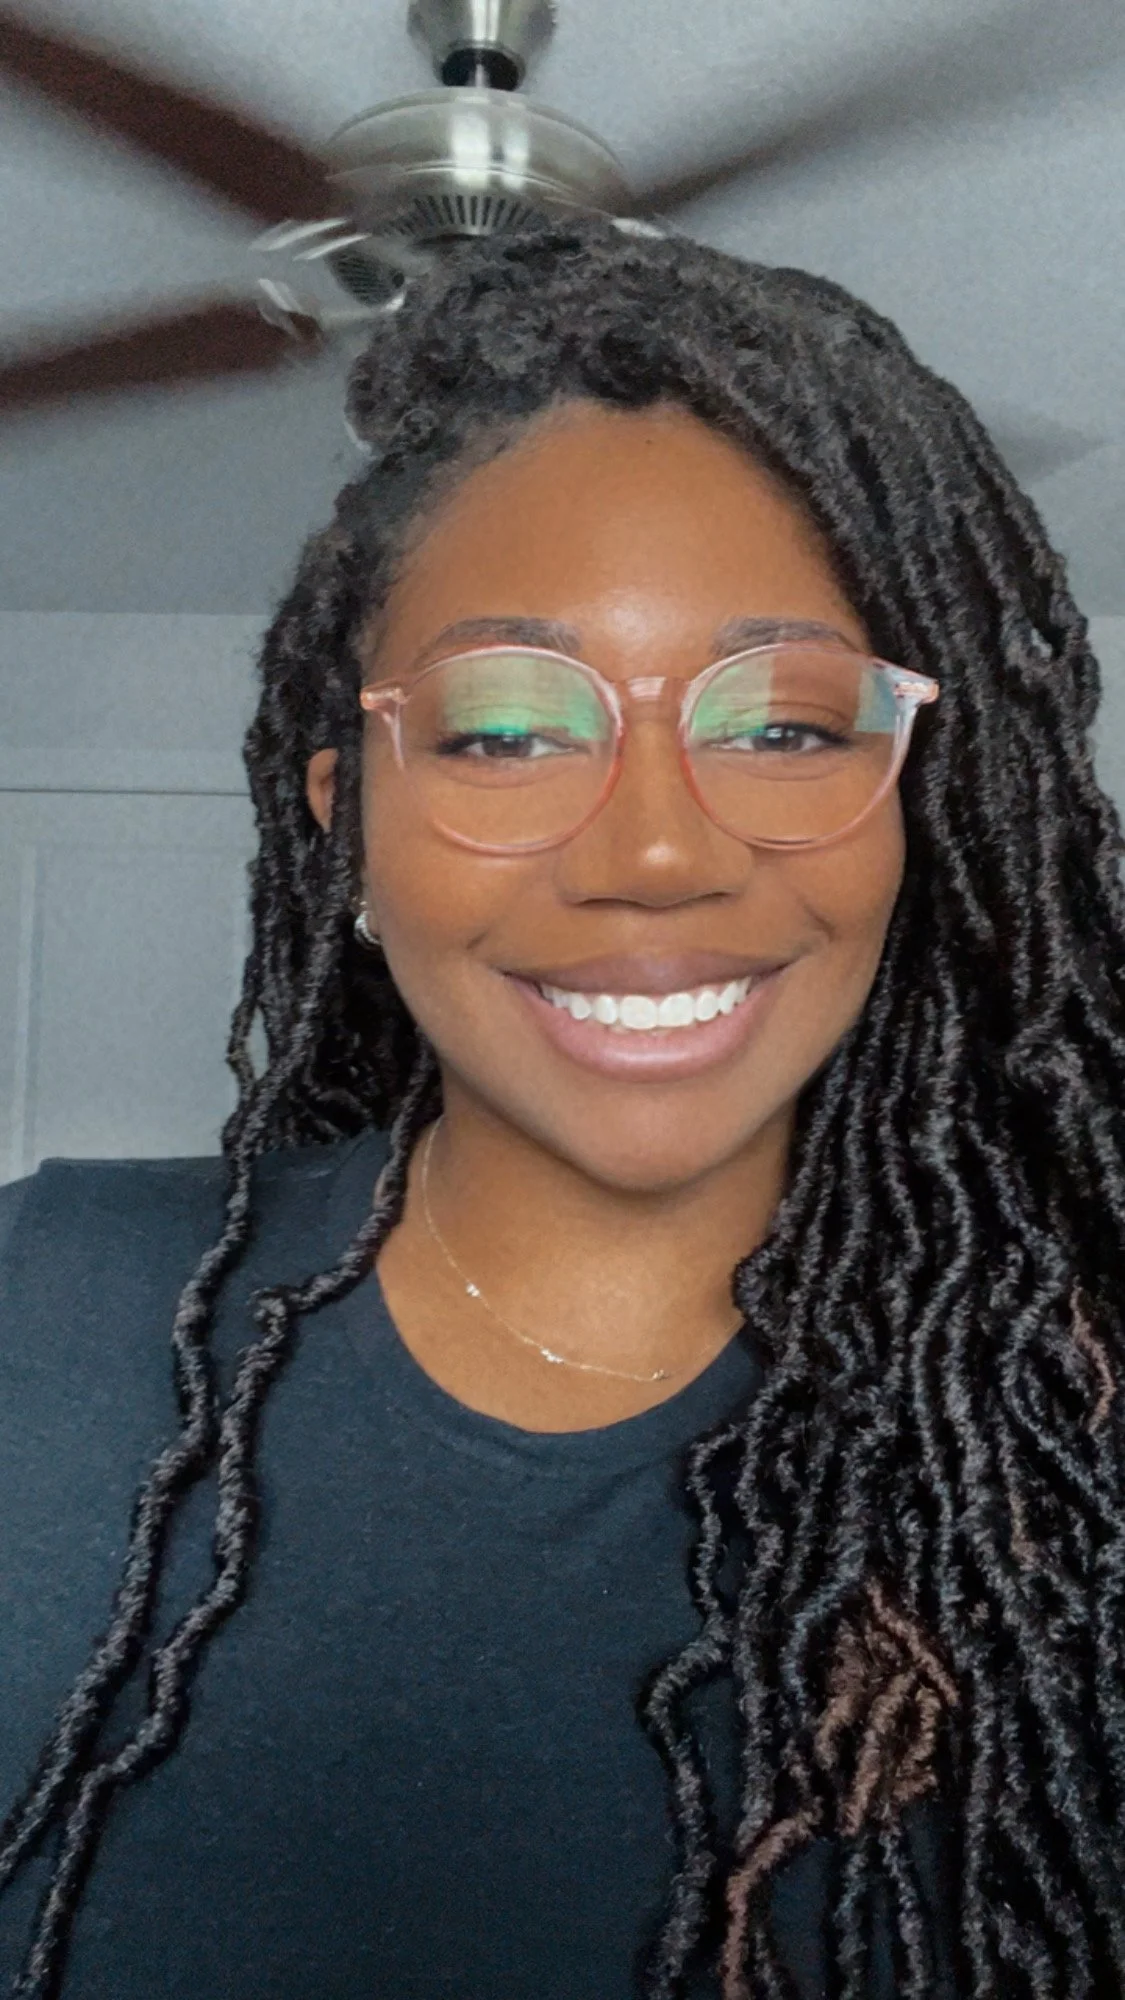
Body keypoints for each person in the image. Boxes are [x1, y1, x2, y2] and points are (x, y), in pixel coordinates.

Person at [1, 214, 1123, 2000]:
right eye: (509, 730)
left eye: (788, 725)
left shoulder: (1073, 1445)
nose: (661, 853)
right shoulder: (35, 1307)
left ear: (927, 810)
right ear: (342, 818)